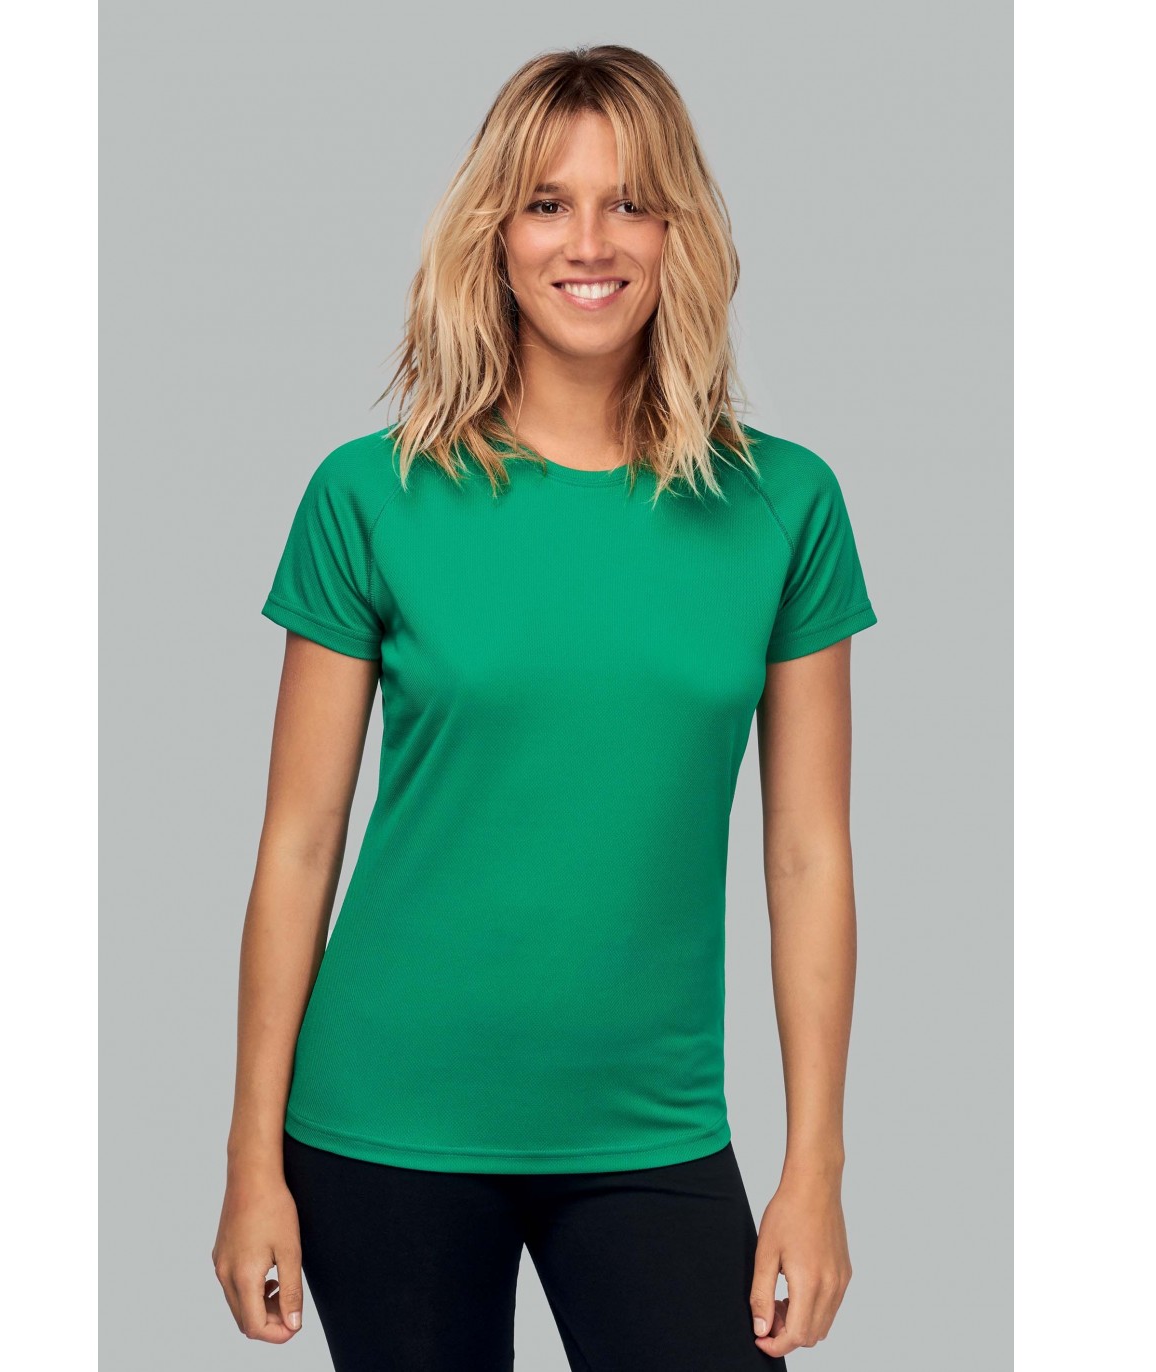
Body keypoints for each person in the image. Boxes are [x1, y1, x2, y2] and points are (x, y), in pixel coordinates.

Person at [212, 44, 878, 1372]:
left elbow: (808, 854)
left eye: (630, 203)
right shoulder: (371, 495)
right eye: (547, 203)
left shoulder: (785, 505)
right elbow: (299, 843)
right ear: (495, 234)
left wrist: (815, 1169)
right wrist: (249, 1163)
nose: (590, 242)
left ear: (679, 232)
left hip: (650, 1127)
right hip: (384, 1124)